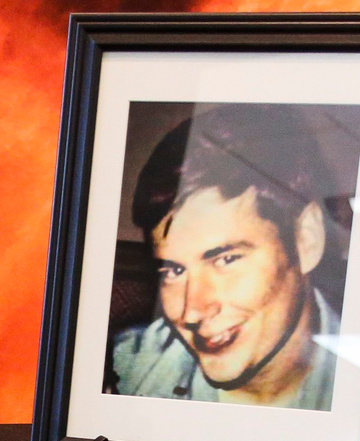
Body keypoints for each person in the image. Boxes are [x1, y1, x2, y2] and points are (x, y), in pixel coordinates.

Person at [110, 104, 344, 411]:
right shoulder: (122, 373)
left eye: (226, 259)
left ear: (306, 240)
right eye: (174, 271)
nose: (192, 312)